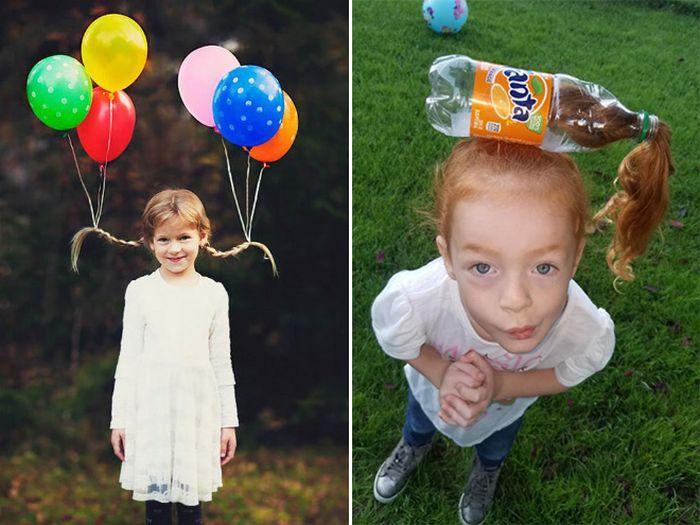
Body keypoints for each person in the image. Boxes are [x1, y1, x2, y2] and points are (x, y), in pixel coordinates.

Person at [370, 122, 673, 524]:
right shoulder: (419, 299)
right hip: (430, 394)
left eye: (543, 266)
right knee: (419, 421)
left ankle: (487, 471)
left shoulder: (582, 327)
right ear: (448, 257)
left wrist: (503, 386)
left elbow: (571, 370)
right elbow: (400, 342)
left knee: (496, 445)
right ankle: (413, 446)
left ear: (576, 255)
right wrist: (442, 374)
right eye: (482, 266)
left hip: (505, 412)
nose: (516, 301)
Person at [71, 189, 247, 525]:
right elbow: (129, 360)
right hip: (151, 413)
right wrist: (118, 419)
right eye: (164, 239)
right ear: (150, 242)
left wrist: (228, 422)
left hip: (197, 414)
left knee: (190, 506)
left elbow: (222, 363)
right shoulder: (140, 291)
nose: (175, 248)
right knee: (156, 509)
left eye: (184, 237)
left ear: (202, 236)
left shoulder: (213, 293)